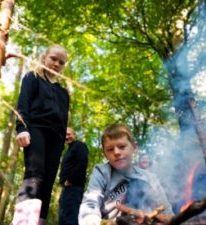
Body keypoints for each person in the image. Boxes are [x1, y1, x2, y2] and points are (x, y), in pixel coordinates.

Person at [12, 45, 69, 225]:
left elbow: (63, 120)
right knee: (35, 174)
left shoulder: (63, 92)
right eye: (53, 58)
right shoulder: (33, 78)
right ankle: (22, 221)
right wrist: (21, 128)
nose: (56, 64)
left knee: (49, 180)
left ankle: (39, 221)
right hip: (35, 129)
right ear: (44, 57)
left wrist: (62, 141)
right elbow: (23, 104)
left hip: (56, 139)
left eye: (61, 62)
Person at [78, 124, 173, 225]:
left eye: (122, 147)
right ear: (104, 153)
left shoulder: (149, 177)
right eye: (110, 149)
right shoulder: (102, 172)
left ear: (134, 147)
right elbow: (90, 204)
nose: (116, 152)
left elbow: (167, 212)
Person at [58, 127, 89, 225]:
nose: (67, 137)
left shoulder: (80, 145)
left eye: (69, 134)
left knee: (70, 218)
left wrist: (70, 180)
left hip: (73, 187)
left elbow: (82, 163)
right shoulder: (68, 150)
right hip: (66, 188)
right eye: (65, 135)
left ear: (75, 135)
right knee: (63, 217)